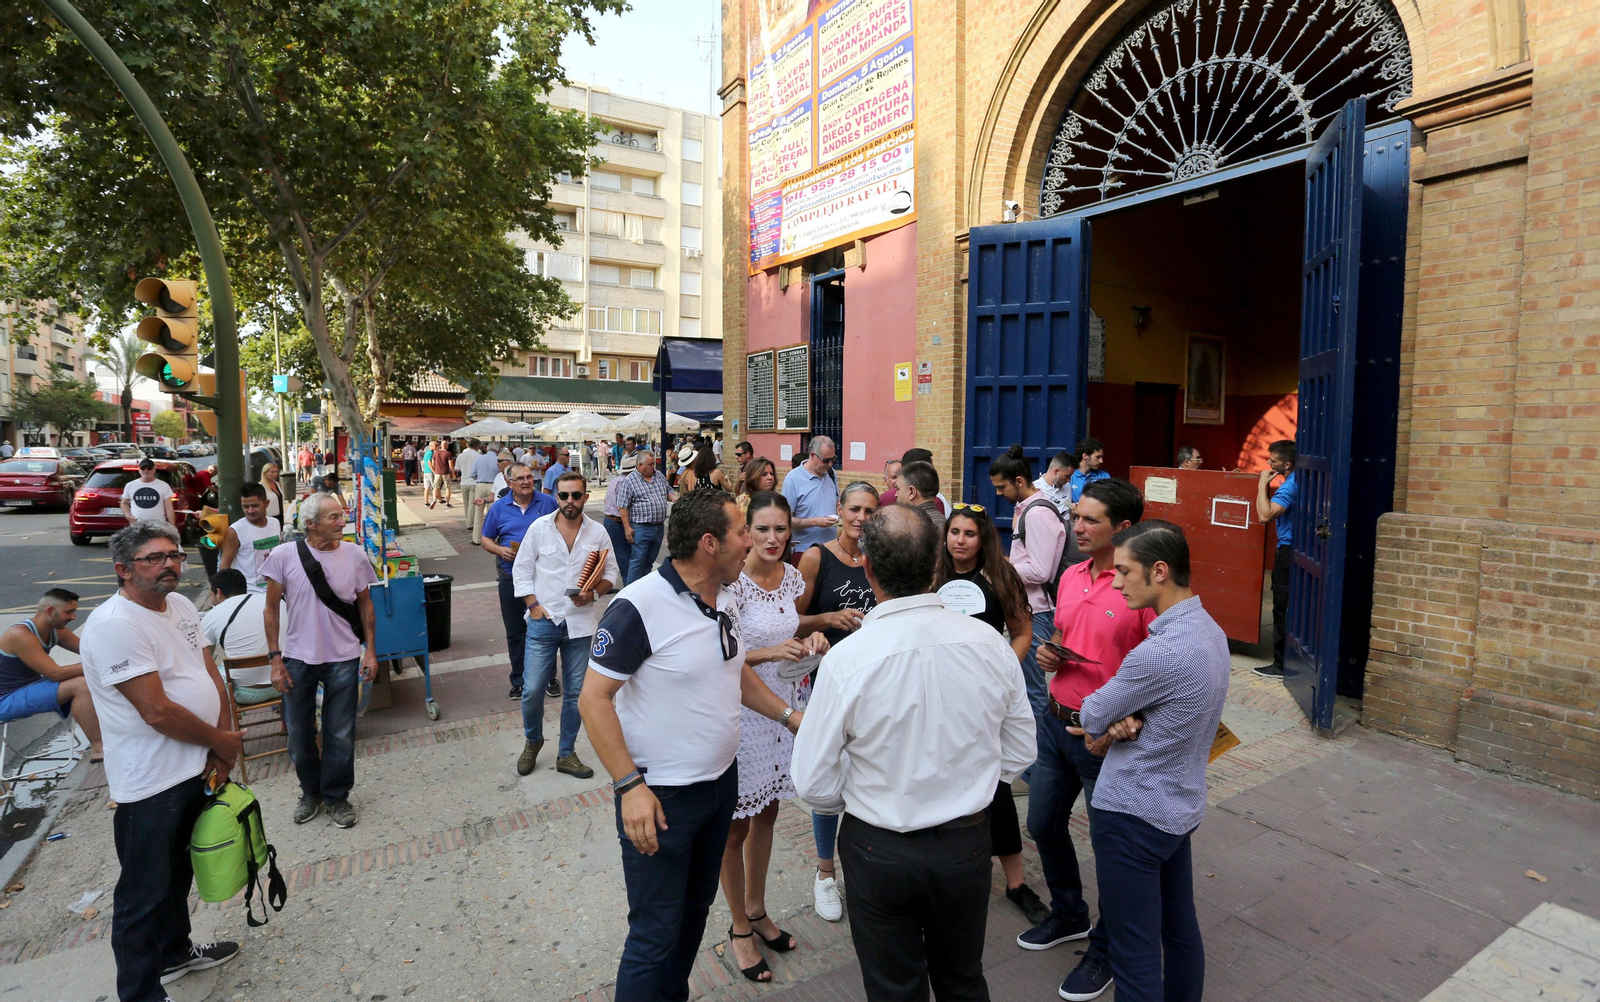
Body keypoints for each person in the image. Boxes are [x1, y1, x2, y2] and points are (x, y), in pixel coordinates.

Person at [792, 504, 1036, 1002]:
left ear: (869, 568)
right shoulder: (989, 646)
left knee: (893, 989)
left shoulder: (848, 659)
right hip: (964, 844)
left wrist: (874, 790)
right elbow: (1018, 752)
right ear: (934, 569)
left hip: (879, 847)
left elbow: (814, 783)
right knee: (963, 981)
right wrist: (965, 781)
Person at [579, 489, 803, 1001]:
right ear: (709, 543)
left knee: (693, 914)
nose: (751, 540)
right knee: (654, 936)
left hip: (720, 787)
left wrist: (792, 718)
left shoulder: (723, 597)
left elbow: (734, 672)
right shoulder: (638, 606)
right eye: (743, 531)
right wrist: (630, 785)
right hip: (662, 799)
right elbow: (593, 700)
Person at [78, 521, 244, 999]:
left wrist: (221, 744)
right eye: (155, 558)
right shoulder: (115, 625)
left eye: (175, 555)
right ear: (123, 570)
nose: (170, 564)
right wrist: (221, 740)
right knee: (142, 896)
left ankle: (175, 953)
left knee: (178, 875)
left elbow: (209, 673)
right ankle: (140, 992)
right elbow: (155, 711)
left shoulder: (182, 605)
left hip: (196, 764)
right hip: (151, 781)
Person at [1073, 521, 1230, 1002]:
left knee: (1134, 954)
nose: (1116, 582)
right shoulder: (1211, 631)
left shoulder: (1159, 651)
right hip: (1177, 808)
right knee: (1180, 932)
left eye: (1124, 571)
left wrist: (1122, 712)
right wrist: (1137, 711)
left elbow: (1093, 712)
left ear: (1159, 571)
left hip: (1133, 815)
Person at [1025, 477, 1157, 1002]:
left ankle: (1106, 949)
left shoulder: (1141, 589)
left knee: (1112, 851)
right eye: (1075, 515)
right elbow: (1062, 635)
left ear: (1122, 528)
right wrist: (1050, 653)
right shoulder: (1073, 574)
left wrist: (1135, 720)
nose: (1075, 527)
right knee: (1042, 823)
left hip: (1104, 739)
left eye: (1089, 520)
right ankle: (1070, 913)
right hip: (1056, 724)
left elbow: (1161, 668)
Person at [720, 492, 829, 982]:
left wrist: (813, 636)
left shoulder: (790, 577)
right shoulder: (733, 583)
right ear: (746, 532)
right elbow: (721, 655)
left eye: (780, 530)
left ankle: (759, 910)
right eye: (761, 529)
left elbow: (788, 624)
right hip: (748, 711)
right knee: (735, 825)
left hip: (787, 708)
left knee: (768, 811)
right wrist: (769, 654)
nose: (771, 538)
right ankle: (739, 927)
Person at [934, 503, 1052, 927]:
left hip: (985, 701)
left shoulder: (1000, 576)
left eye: (969, 533)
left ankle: (1016, 882)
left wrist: (1004, 667)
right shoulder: (933, 577)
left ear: (983, 539)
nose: (960, 540)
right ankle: (950, 874)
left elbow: (1023, 632)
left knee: (996, 786)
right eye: (954, 532)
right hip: (938, 698)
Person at [261, 493, 379, 830]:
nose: (342, 522)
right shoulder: (284, 556)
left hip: (343, 657)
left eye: (342, 516)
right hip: (298, 658)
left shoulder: (355, 555)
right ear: (310, 524)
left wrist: (370, 651)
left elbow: (365, 605)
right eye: (334, 517)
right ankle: (310, 793)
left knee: (340, 733)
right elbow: (270, 609)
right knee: (299, 733)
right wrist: (275, 659)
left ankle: (337, 796)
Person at [794, 479, 880, 921]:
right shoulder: (817, 557)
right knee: (827, 783)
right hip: (826, 682)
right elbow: (793, 623)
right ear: (839, 510)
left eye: (869, 511)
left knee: (868, 775)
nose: (861, 519)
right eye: (855, 510)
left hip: (875, 684)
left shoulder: (880, 558)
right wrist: (828, 619)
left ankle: (865, 870)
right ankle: (825, 873)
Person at [511, 471, 618, 779]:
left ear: (585, 497)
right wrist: (533, 606)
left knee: (575, 694)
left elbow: (611, 574)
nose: (569, 501)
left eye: (576, 495)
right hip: (544, 621)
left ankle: (566, 753)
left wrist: (594, 594)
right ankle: (533, 740)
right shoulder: (539, 528)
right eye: (563, 495)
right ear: (555, 497)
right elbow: (521, 571)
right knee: (532, 690)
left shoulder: (598, 533)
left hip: (580, 625)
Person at [991, 445, 1078, 717]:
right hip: (1031, 608)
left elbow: (1040, 571)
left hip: (1037, 611)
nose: (998, 493)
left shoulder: (1038, 514)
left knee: (1032, 690)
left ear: (1019, 481)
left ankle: (1040, 753)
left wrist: (1003, 568)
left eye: (1001, 487)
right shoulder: (1030, 508)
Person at [480, 463, 558, 701]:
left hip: (543, 578)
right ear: (509, 483)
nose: (527, 481)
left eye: (529, 477)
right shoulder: (499, 508)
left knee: (547, 628)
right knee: (516, 632)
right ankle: (519, 679)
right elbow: (485, 538)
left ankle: (549, 677)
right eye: (520, 478)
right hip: (510, 577)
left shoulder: (548, 503)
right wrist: (500, 550)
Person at [0, 588, 102, 762]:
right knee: (81, 684)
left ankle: (119, 729)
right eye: (69, 612)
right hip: (6, 699)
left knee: (97, 670)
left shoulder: (56, 630)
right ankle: (99, 749)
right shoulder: (20, 635)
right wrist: (100, 665)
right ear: (50, 611)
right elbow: (55, 673)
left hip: (31, 687)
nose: (73, 617)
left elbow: (91, 653)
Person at [200, 569, 278, 706]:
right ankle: (285, 720)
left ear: (218, 593)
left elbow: (204, 659)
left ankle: (223, 724)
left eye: (211, 594)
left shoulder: (213, 615)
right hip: (287, 683)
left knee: (208, 675)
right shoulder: (272, 603)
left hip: (246, 693)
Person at [1254, 439, 1297, 679]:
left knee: (1282, 605)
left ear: (1287, 464)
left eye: (1273, 461)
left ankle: (1280, 665)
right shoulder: (1300, 479)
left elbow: (1264, 515)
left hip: (1288, 550)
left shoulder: (1289, 486)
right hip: (1297, 549)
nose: (1268, 463)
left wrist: (1262, 485)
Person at [615, 449, 676, 585]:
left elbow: (668, 491)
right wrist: (627, 528)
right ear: (640, 465)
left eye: (653, 464)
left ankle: (643, 587)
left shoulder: (659, 476)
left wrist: (673, 497)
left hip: (658, 526)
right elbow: (622, 506)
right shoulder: (629, 482)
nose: (653, 467)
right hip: (641, 527)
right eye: (650, 464)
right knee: (638, 560)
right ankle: (630, 591)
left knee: (649, 560)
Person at [781, 436, 840, 560]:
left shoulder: (831, 474)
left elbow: (835, 503)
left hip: (832, 548)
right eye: (826, 460)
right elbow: (785, 520)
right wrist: (815, 522)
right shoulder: (793, 479)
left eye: (833, 459)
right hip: (805, 551)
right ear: (813, 455)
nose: (830, 464)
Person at [219, 482, 281, 593]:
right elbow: (225, 567)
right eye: (246, 506)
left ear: (266, 503)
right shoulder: (236, 530)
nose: (250, 511)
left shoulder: (275, 523)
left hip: (275, 589)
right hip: (249, 592)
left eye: (255, 506)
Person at [120, 459, 174, 526]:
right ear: (139, 470)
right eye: (143, 468)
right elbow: (124, 503)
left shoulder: (164, 485)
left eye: (149, 468)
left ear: (154, 469)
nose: (146, 470)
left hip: (158, 525)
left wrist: (172, 526)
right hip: (137, 525)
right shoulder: (130, 485)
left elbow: (169, 508)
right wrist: (127, 515)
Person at [464, 441, 500, 541]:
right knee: (492, 514)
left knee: (478, 514)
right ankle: (491, 538)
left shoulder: (480, 458)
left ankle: (476, 538)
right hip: (494, 485)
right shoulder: (498, 459)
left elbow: (472, 474)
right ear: (497, 450)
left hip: (480, 484)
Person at [897, 460, 945, 532]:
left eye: (898, 489)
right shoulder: (947, 525)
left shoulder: (911, 528)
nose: (896, 494)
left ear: (912, 492)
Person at [1069, 437, 1111, 504]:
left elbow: (1106, 502)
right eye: (1098, 457)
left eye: (1101, 457)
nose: (1101, 461)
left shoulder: (1104, 476)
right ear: (1085, 456)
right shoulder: (1069, 476)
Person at [428, 441, 454, 508]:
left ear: (441, 446)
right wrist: (453, 473)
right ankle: (447, 503)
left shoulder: (435, 453)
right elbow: (450, 465)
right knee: (448, 487)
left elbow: (433, 464)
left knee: (436, 487)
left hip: (437, 472)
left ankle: (434, 499)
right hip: (446, 472)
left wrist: (436, 469)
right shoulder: (448, 453)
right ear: (446, 446)